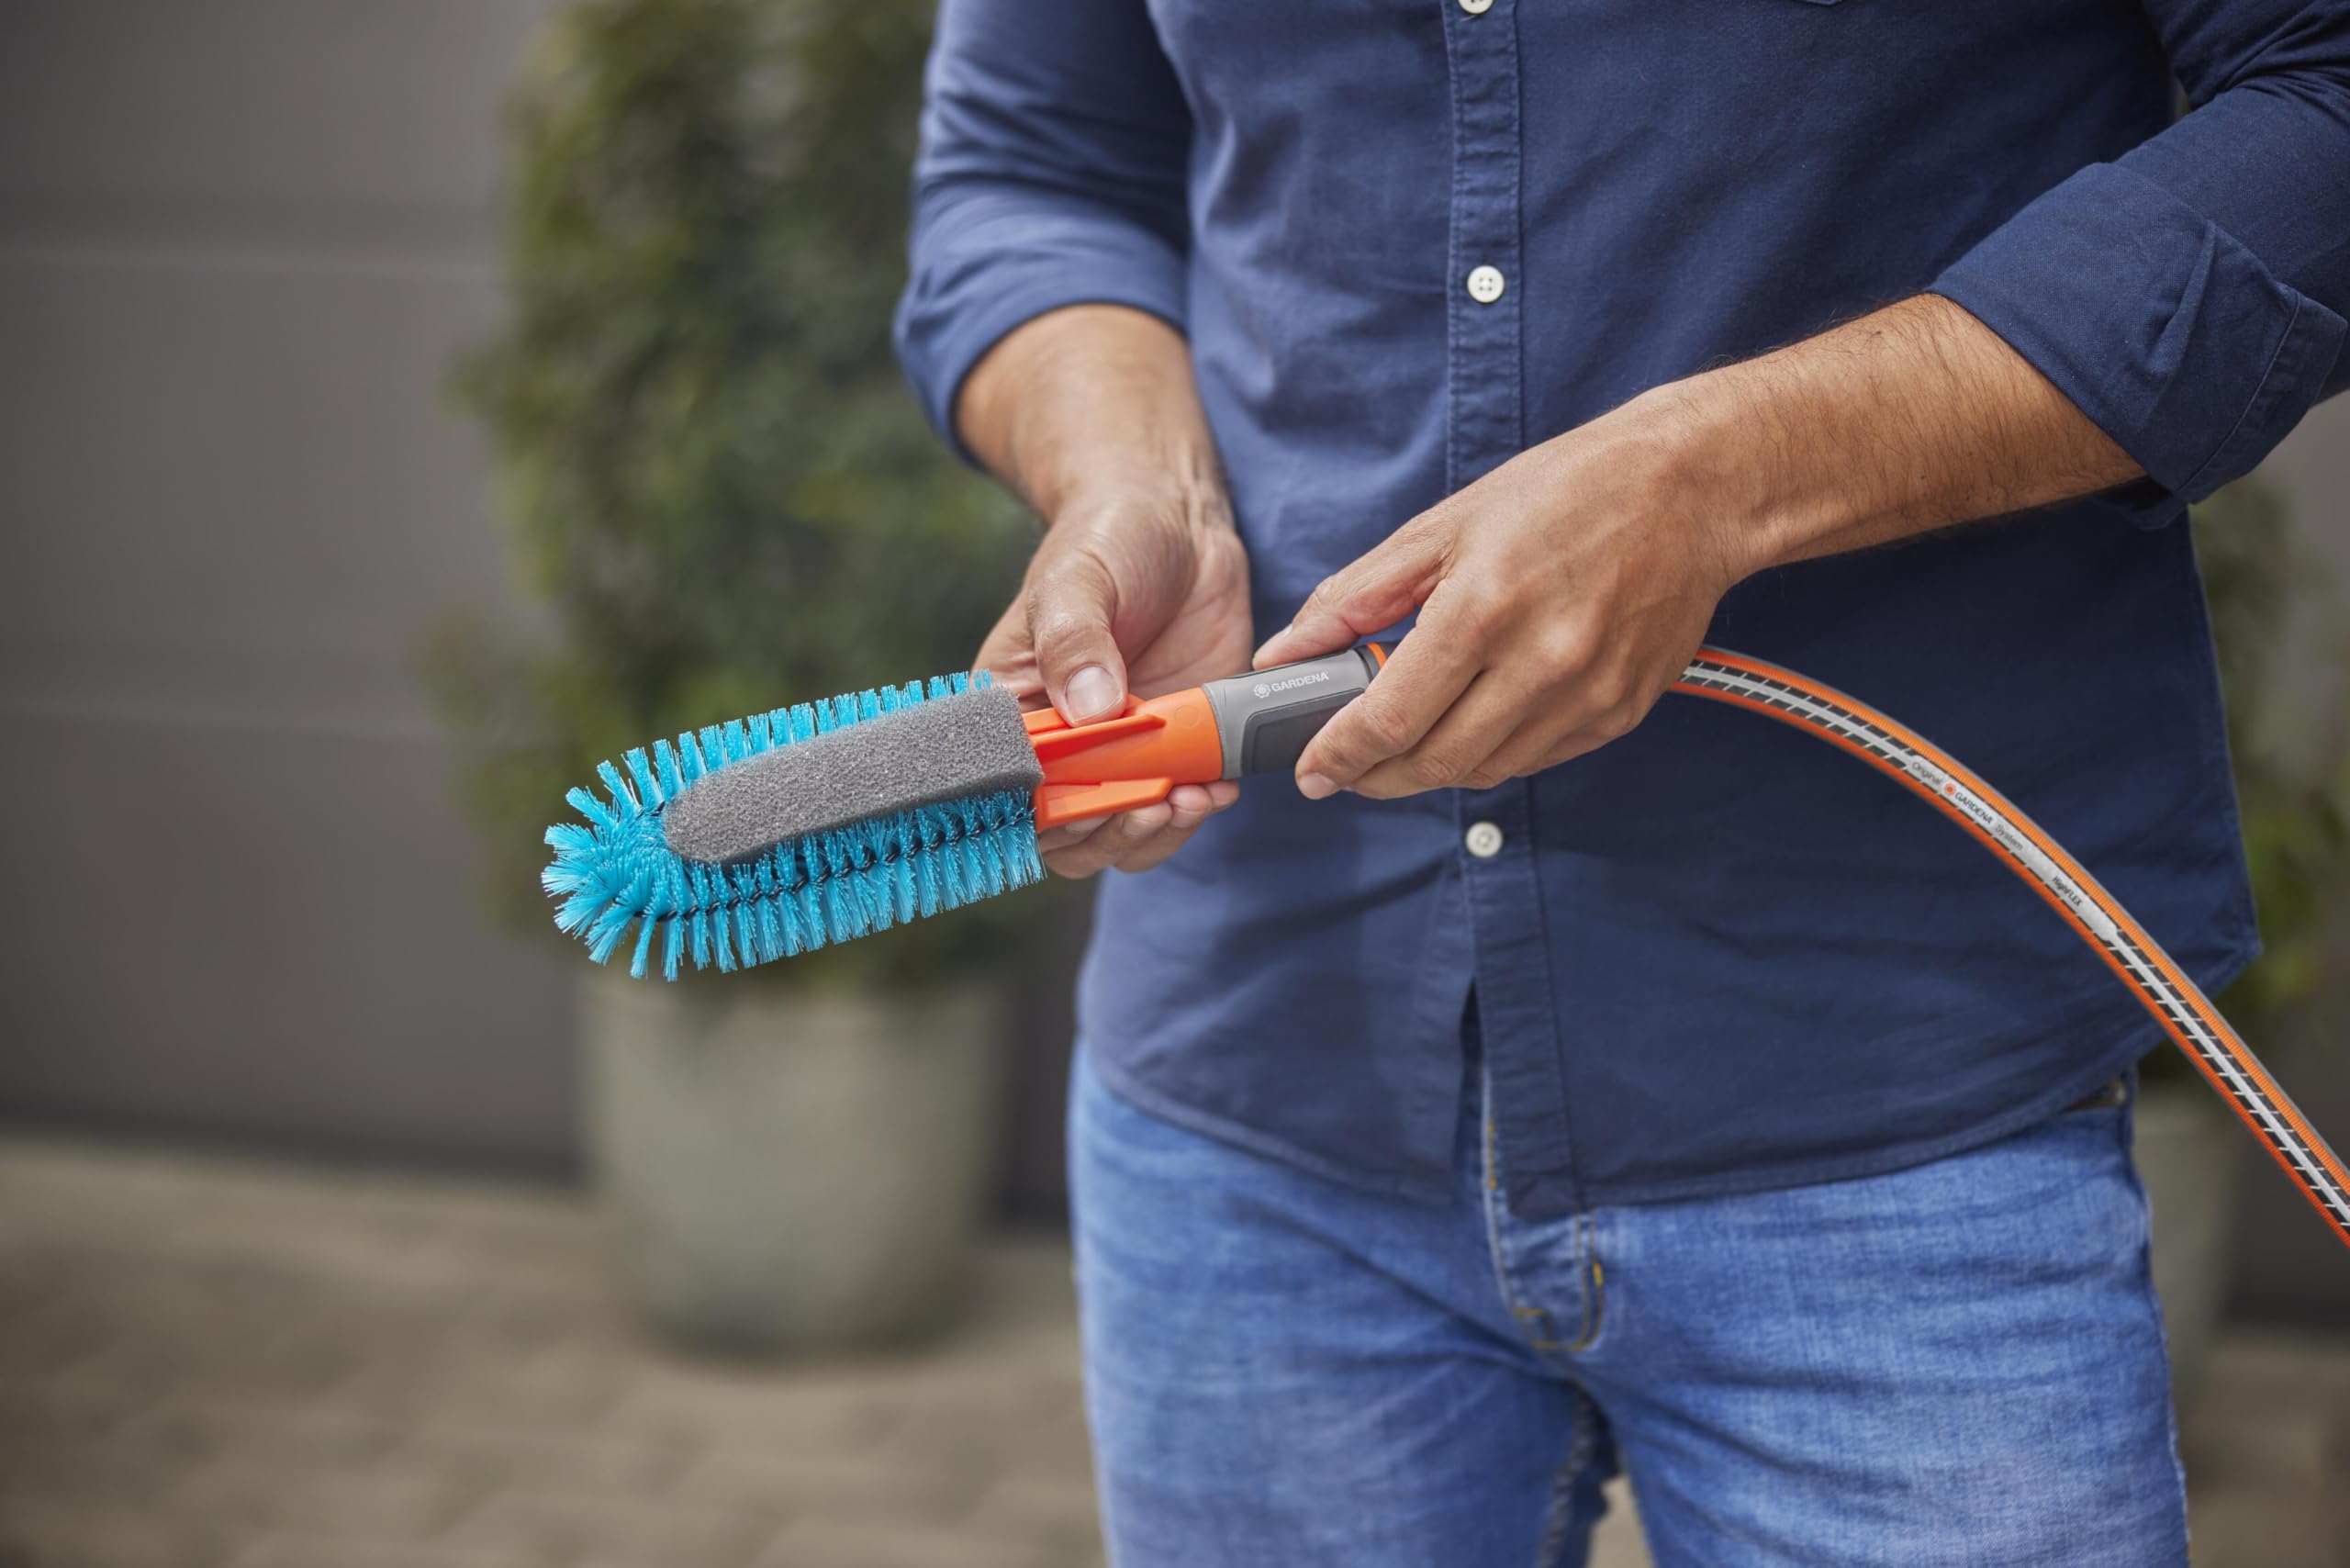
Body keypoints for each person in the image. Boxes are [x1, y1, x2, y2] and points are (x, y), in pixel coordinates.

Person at [893, 3, 2349, 1563]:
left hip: (1904, 1098)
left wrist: (1724, 476)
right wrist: (1140, 480)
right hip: (1257, 1100)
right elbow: (1032, 170)